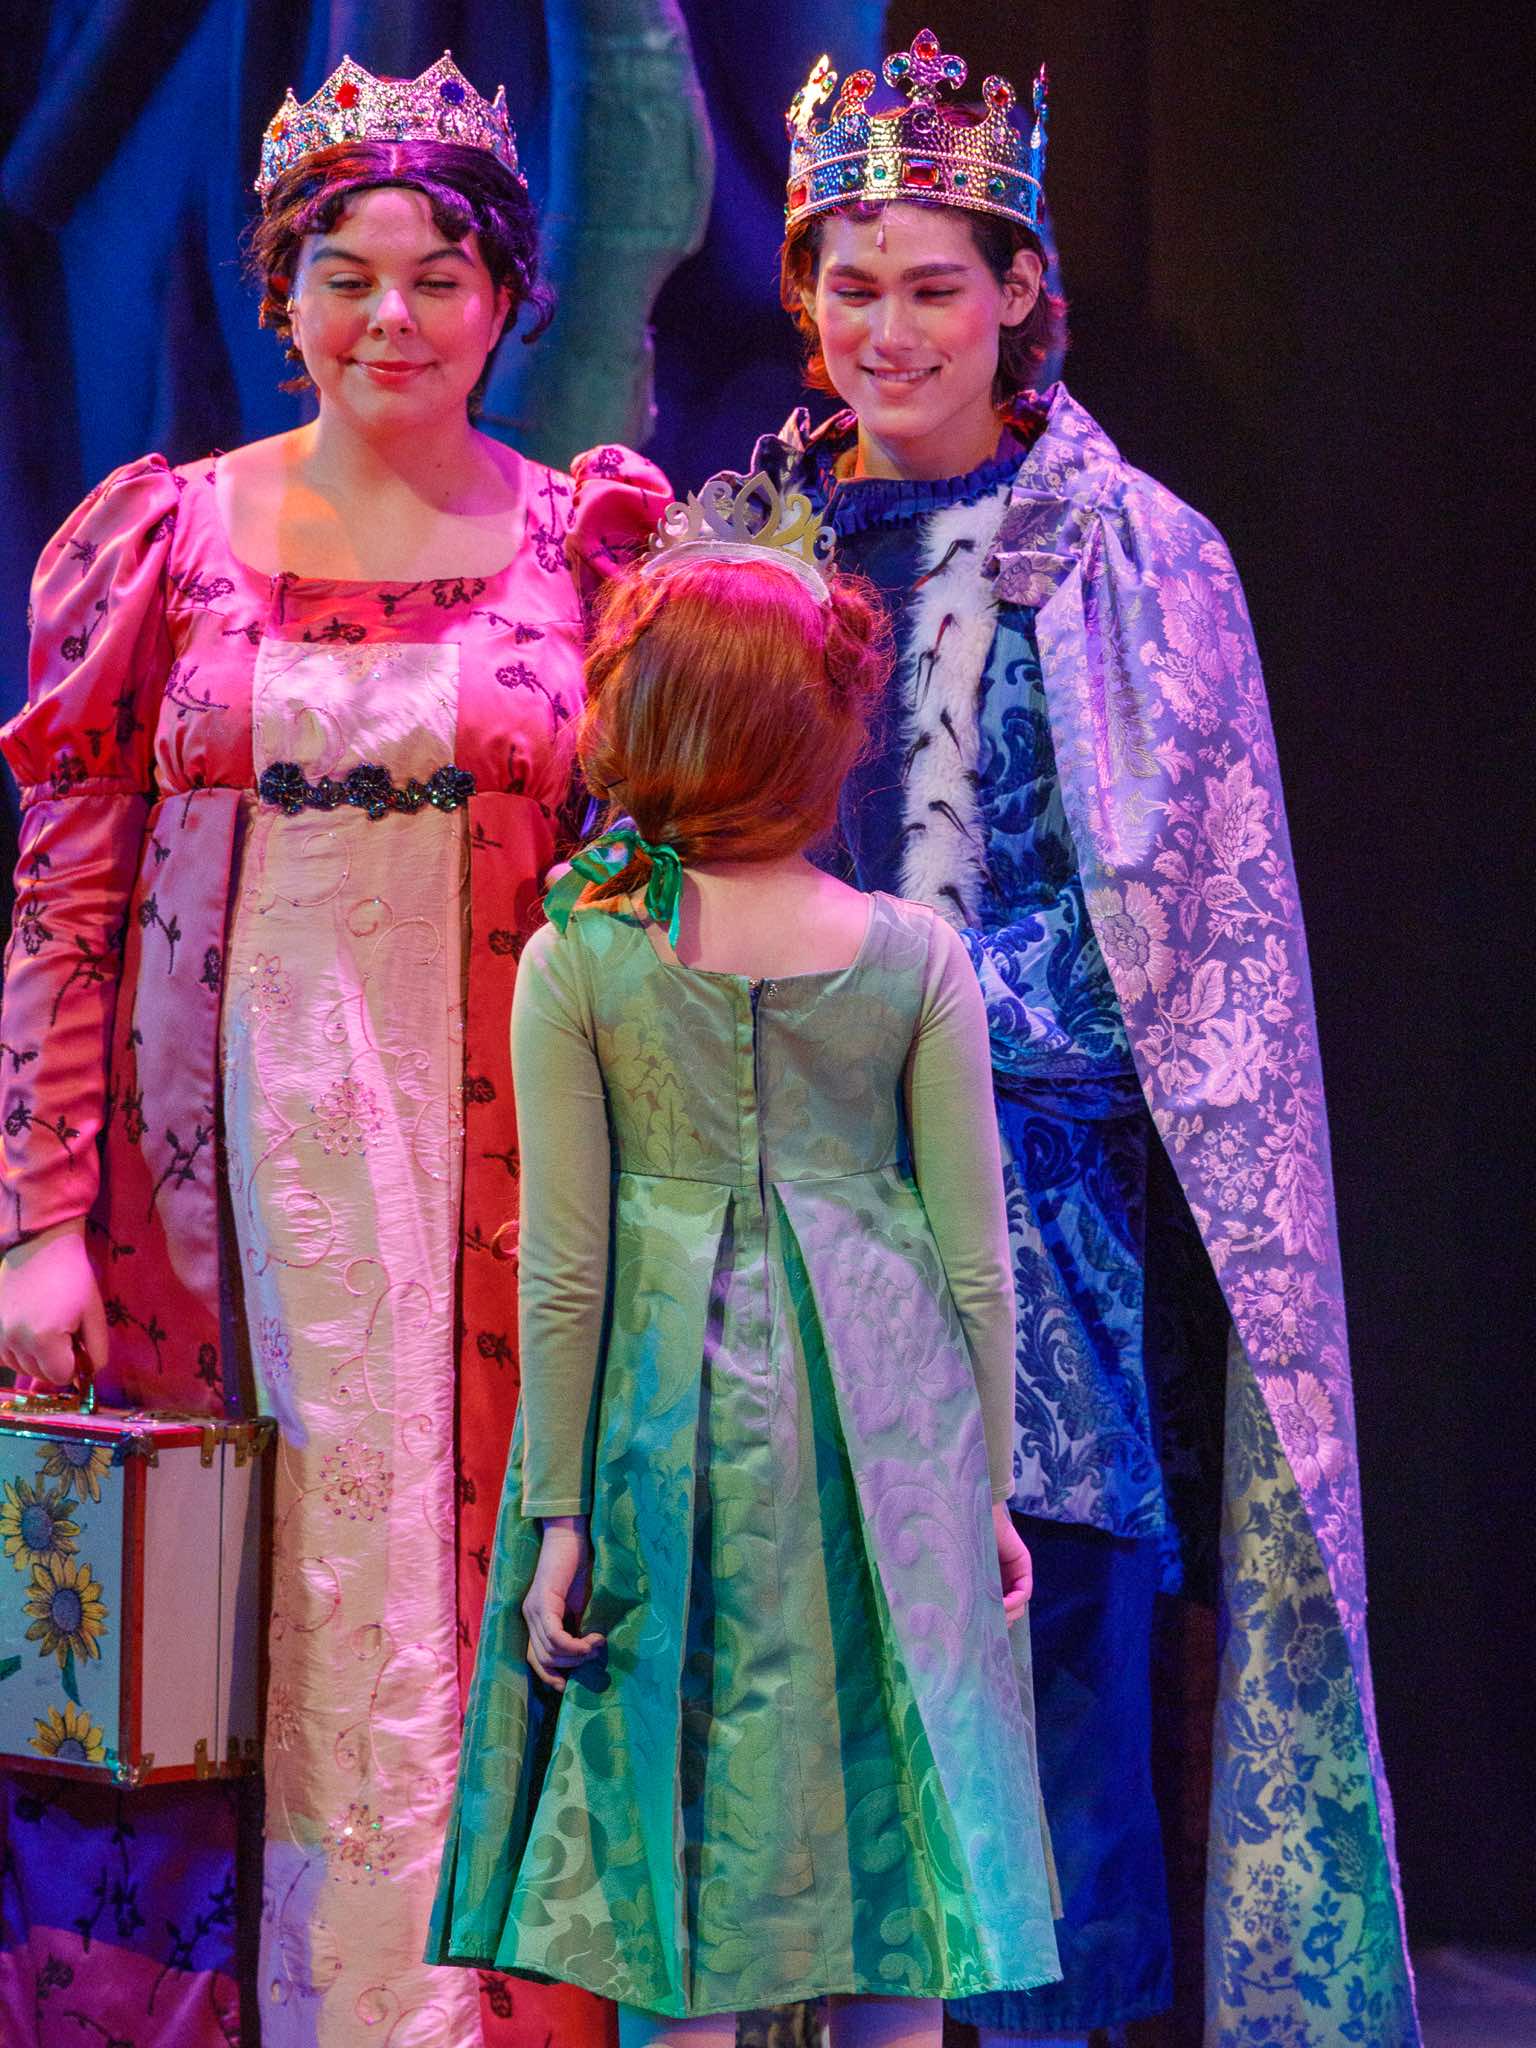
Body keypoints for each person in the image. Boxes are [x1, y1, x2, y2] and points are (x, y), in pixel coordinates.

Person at [723, 28, 1420, 2048]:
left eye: (935, 286)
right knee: (795, 1743)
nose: (888, 331)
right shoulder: (740, 544)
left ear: (1020, 289)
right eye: (851, 285)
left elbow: (1180, 962)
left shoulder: (1134, 556)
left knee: (1047, 1749)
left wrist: (886, 994)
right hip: (768, 1222)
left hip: (1037, 1250)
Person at [0, 53, 663, 2048]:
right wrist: (34, 1220)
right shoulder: (167, 538)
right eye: (346, 275)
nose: (394, 318)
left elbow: (645, 909)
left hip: (500, 1184)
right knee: (225, 1613)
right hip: (205, 1193)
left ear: (510, 295)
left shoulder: (584, 548)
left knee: (470, 1587)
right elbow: (67, 899)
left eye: (438, 277)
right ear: (280, 291)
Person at [425, 473, 1062, 2047]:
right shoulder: (913, 956)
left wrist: (559, 1515)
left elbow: (564, 1267)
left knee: (675, 1838)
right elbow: (978, 1264)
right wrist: (979, 1485)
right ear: (828, 736)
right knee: (900, 1835)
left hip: (663, 1426)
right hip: (888, 1432)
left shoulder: (582, 951)